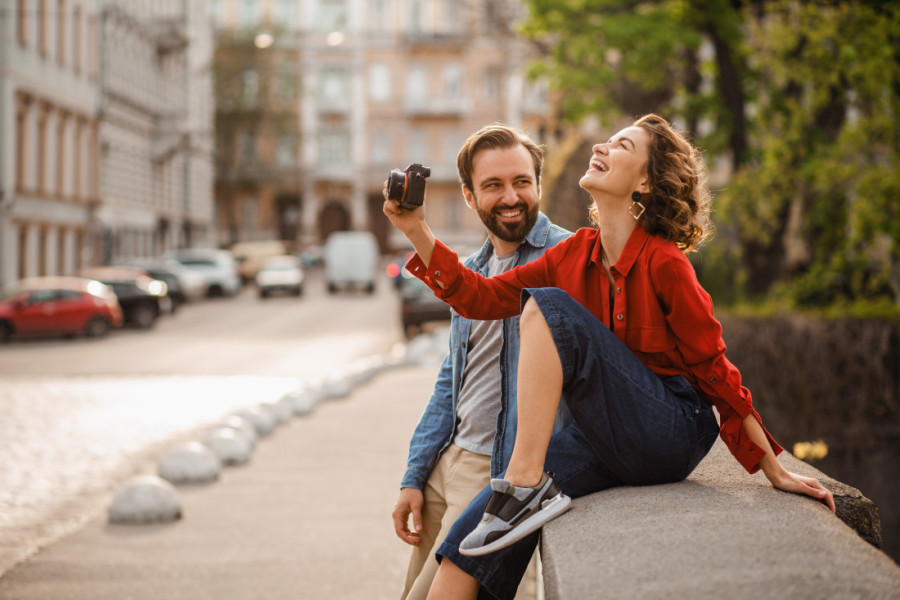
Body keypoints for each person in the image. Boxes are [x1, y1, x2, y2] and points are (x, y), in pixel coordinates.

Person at [384, 113, 836, 600]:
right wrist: (416, 230)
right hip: (602, 434)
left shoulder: (665, 263)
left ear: (644, 181)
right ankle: (516, 493)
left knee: (546, 305)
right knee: (463, 553)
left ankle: (521, 484)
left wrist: (772, 467)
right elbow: (480, 299)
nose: (601, 147)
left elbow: (714, 370)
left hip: (671, 432)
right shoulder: (574, 253)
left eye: (621, 145)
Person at [392, 124, 571, 599]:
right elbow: (452, 381)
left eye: (521, 182)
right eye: (493, 185)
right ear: (470, 197)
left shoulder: (567, 257)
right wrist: (416, 474)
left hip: (494, 469)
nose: (511, 196)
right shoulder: (470, 270)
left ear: (538, 184)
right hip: (447, 462)